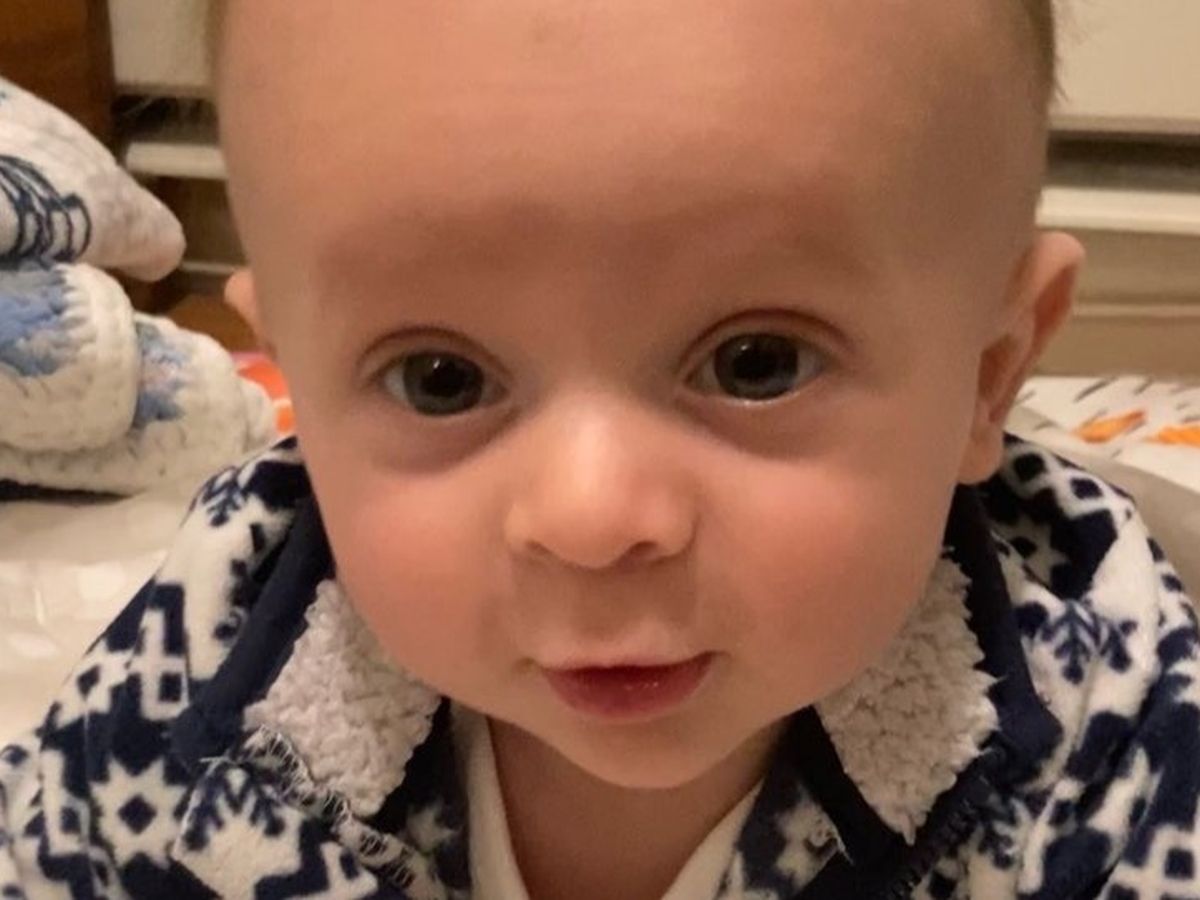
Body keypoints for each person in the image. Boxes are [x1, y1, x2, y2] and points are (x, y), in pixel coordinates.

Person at [3, 2, 1198, 897]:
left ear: (989, 376)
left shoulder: (1106, 736)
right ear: (301, 390)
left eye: (757, 363)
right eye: (439, 379)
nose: (591, 518)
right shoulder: (214, 648)